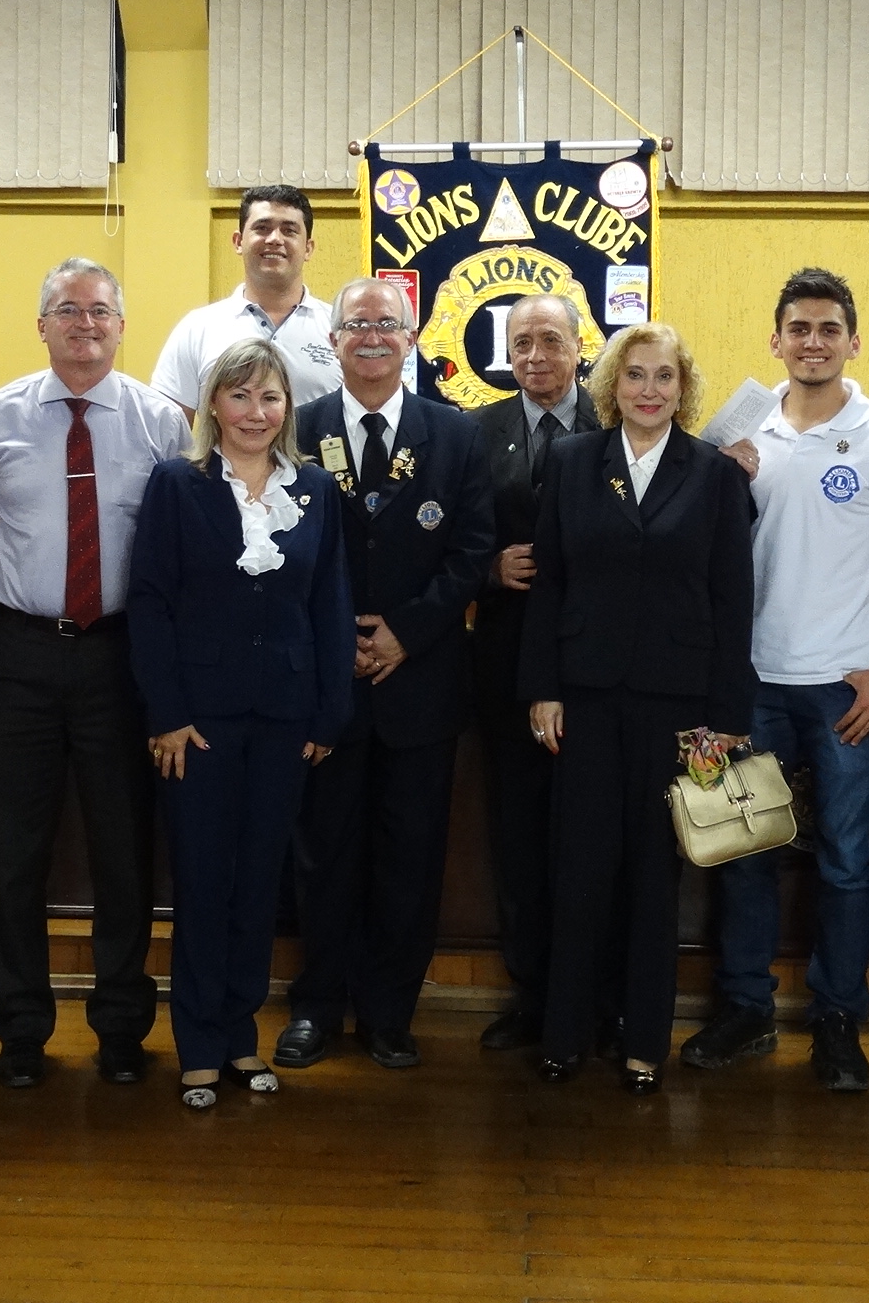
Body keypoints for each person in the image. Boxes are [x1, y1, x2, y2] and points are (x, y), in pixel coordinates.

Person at [687, 267, 869, 1093]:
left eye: (830, 329)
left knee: (847, 863)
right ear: (776, 341)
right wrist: (724, 472)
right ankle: (746, 1011)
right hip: (750, 684)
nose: (814, 342)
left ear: (852, 341)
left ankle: (838, 1021)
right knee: (744, 854)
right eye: (799, 328)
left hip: (846, 692)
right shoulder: (740, 438)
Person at [0, 260, 189, 1089]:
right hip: (20, 653)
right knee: (13, 855)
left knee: (124, 854)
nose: (84, 323)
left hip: (122, 656)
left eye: (100, 310)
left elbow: (173, 557)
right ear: (42, 324)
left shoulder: (161, 422)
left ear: (122, 324)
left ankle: (122, 1028)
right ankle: (21, 1029)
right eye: (67, 309)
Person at [521, 324, 756, 1095]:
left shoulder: (716, 476)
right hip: (584, 696)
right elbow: (548, 583)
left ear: (683, 389)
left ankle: (644, 1041)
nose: (649, 390)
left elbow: (732, 600)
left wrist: (725, 719)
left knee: (655, 877)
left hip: (679, 706)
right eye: (634, 376)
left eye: (663, 377)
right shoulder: (572, 461)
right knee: (578, 869)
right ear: (611, 387)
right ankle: (564, 1034)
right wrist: (542, 687)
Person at [127, 339, 353, 1109]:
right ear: (212, 405)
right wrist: (167, 714)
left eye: (270, 398)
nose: (256, 413)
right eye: (240, 396)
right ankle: (196, 1044)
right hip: (200, 723)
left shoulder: (316, 489)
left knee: (260, 884)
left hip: (286, 720)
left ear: (287, 408)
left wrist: (329, 712)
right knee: (203, 881)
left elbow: (330, 606)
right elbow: (151, 603)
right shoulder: (176, 485)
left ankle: (240, 1038)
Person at [275, 279, 495, 1072]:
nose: (371, 335)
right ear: (331, 342)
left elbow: (474, 552)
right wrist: (342, 640)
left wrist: (404, 632)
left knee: (410, 856)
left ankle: (389, 1013)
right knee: (322, 853)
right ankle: (316, 1008)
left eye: (387, 324)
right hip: (327, 686)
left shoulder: (455, 433)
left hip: (421, 682)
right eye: (356, 323)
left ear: (411, 340)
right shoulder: (294, 431)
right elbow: (283, 555)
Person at [467, 292, 598, 1052]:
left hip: (593, 667)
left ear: (581, 347)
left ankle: (593, 999)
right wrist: (488, 567)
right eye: (522, 344)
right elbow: (447, 541)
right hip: (507, 665)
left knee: (589, 837)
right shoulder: (473, 432)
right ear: (506, 354)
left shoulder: (616, 425)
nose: (536, 357)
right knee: (518, 837)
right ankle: (531, 994)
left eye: (551, 341)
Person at [148, 184, 340, 413]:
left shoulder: (339, 328)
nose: (275, 239)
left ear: (308, 248)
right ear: (238, 242)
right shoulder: (197, 328)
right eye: (262, 228)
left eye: (289, 231)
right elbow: (168, 432)